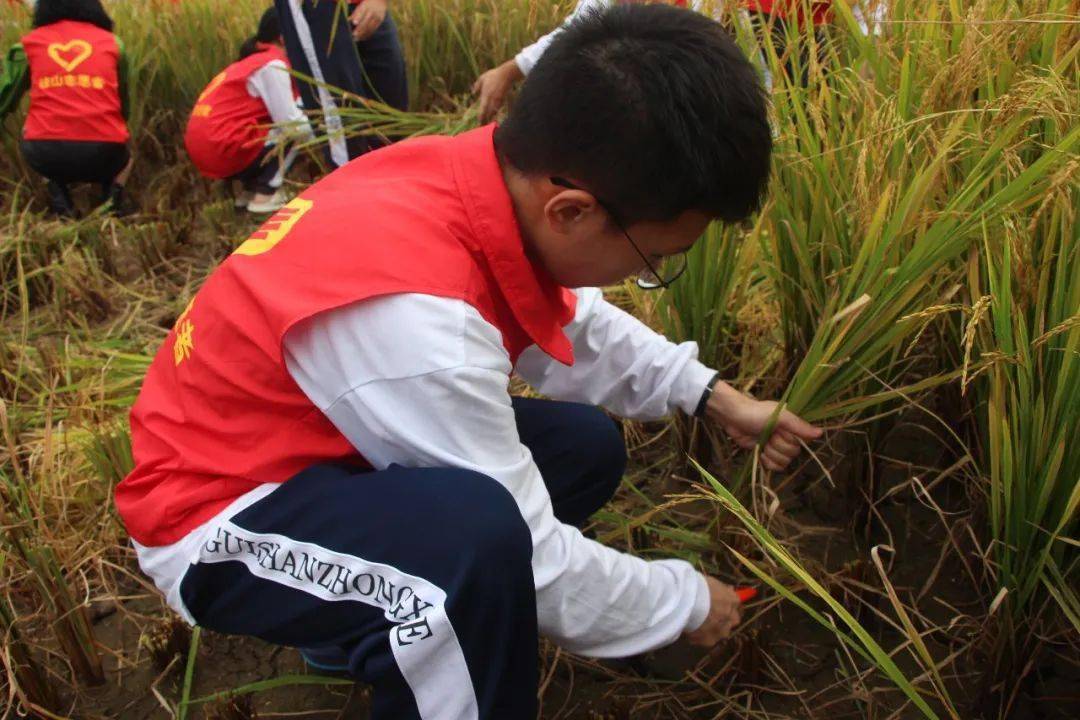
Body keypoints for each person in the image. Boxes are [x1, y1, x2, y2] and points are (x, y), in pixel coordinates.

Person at [117, 5, 821, 718]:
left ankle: (355, 627)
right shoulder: (421, 324)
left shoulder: (465, 176)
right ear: (571, 210)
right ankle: (395, 632)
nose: (647, 274)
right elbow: (537, 563)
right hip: (219, 516)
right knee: (475, 549)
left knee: (583, 446)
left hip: (322, 448)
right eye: (654, 260)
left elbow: (577, 322)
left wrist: (714, 396)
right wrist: (681, 603)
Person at [473, 0, 888, 120]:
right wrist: (510, 71)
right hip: (676, 124)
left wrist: (863, 93)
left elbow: (876, 25)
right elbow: (587, 21)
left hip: (790, 133)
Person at [0, 0, 132, 217]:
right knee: (125, 146)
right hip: (106, 152)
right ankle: (111, 201)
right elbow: (123, 105)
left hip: (46, 153)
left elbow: (4, 100)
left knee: (34, 130)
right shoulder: (113, 44)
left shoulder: (29, 44)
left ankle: (60, 200)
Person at [184, 7, 313, 215]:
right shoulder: (273, 65)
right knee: (302, 126)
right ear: (284, 37)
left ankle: (247, 195)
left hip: (206, 147)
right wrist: (328, 124)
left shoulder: (249, 62)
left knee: (274, 124)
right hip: (222, 146)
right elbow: (292, 124)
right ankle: (266, 194)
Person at [273, 0, 407, 169]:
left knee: (392, 116)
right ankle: (356, 190)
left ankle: (391, 187)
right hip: (315, 7)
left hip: (363, 5)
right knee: (344, 127)